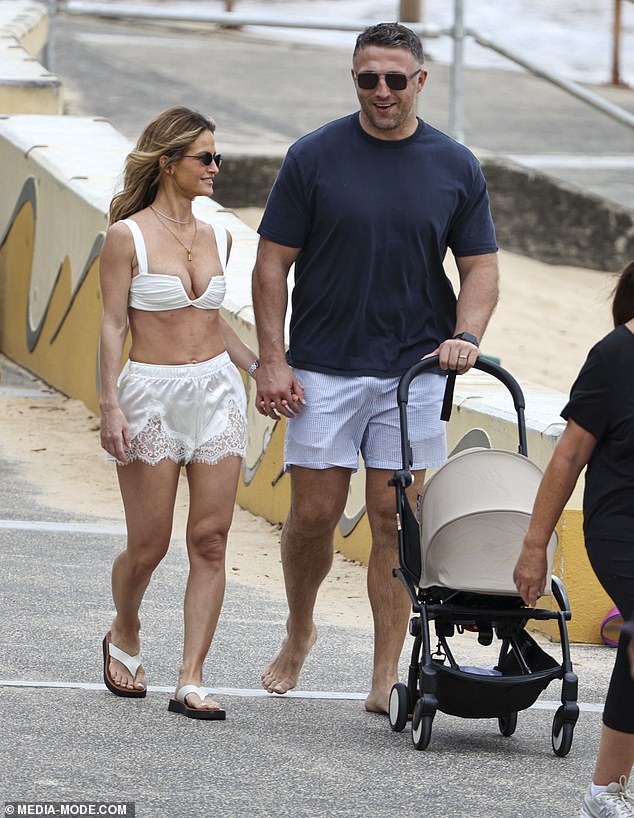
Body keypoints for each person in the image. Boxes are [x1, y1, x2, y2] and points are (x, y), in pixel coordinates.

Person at [251, 22, 499, 713]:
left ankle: (385, 669)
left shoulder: (455, 165)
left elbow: (480, 268)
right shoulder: (313, 156)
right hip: (322, 367)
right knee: (313, 515)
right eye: (368, 78)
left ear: (421, 80)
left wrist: (466, 335)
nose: (381, 91)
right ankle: (300, 628)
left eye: (395, 78)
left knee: (394, 520)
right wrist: (273, 360)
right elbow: (271, 263)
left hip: (413, 371)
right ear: (354, 79)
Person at [99, 106, 264, 720]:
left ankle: (190, 678)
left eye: (218, 156)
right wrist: (109, 404)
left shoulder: (220, 235)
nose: (216, 167)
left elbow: (211, 320)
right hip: (151, 396)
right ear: (169, 162)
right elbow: (113, 326)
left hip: (217, 392)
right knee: (149, 545)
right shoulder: (127, 237)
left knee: (211, 540)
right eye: (206, 157)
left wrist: (262, 369)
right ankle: (125, 626)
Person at [513, 260, 634, 817]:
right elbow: (568, 455)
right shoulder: (614, 356)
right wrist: (535, 545)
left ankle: (604, 792)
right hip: (621, 527)